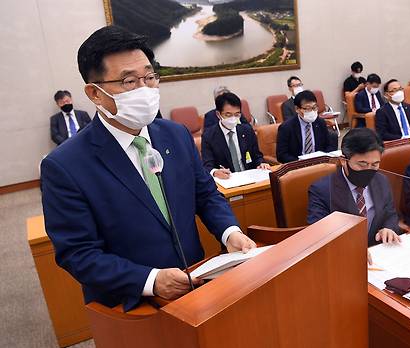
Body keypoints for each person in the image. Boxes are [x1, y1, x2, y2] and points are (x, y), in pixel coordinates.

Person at [40, 26, 256, 311]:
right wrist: (150, 280)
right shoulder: (64, 165)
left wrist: (230, 233)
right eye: (129, 81)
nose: (145, 89)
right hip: (133, 309)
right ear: (94, 93)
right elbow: (78, 253)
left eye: (150, 77)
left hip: (199, 285)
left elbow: (205, 195)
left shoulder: (176, 135)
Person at [307, 128, 400, 246]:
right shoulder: (321, 190)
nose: (368, 170)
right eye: (362, 164)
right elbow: (318, 235)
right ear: (343, 161)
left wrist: (389, 228)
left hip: (377, 250)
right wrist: (353, 249)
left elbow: (390, 214)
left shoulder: (381, 181)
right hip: (343, 254)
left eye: (375, 164)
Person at [201, 92, 270, 179]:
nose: (233, 118)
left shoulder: (247, 130)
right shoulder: (209, 136)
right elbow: (207, 165)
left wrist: (261, 163)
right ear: (218, 114)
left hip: (250, 177)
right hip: (227, 180)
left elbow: (257, 156)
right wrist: (215, 172)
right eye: (228, 115)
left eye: (237, 114)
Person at [276, 90, 338, 163]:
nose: (312, 111)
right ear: (297, 109)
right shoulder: (286, 127)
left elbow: (329, 145)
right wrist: (300, 162)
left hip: (319, 164)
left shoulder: (320, 122)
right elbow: (281, 155)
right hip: (297, 166)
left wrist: (324, 158)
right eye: (307, 108)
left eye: (314, 108)